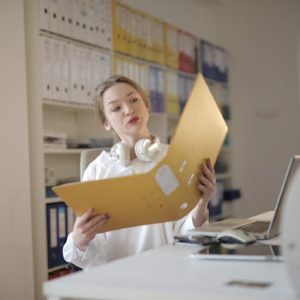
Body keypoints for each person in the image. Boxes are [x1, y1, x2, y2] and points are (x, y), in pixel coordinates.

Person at [63, 75, 216, 269]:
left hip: (170, 273)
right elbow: (92, 254)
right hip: (120, 278)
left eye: (134, 100)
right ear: (107, 123)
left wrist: (202, 202)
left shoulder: (177, 158)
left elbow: (188, 238)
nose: (129, 110)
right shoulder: (98, 169)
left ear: (146, 106)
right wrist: (79, 239)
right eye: (116, 108)